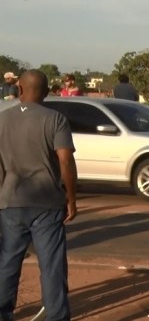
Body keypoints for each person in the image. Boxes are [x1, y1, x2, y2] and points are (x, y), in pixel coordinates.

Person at [0, 70, 77, 321]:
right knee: (51, 265)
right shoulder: (55, 119)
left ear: (19, 89)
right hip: (47, 201)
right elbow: (65, 160)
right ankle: (56, 315)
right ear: (46, 92)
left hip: (11, 200)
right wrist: (71, 198)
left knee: (9, 261)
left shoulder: (3, 119)